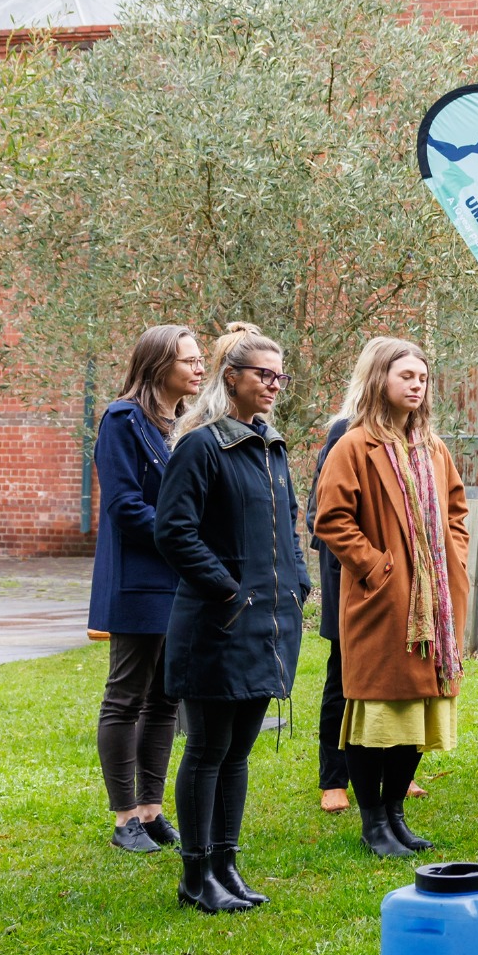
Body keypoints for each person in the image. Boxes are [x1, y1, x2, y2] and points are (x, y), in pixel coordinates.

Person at [155, 323, 308, 914]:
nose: (272, 386)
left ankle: (226, 864)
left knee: (237, 753)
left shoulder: (270, 445)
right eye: (261, 375)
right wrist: (227, 592)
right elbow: (174, 532)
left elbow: (289, 528)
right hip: (218, 625)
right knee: (207, 750)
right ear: (231, 379)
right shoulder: (201, 446)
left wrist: (295, 584)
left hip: (268, 623)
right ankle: (196, 877)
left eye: (278, 377)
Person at [313, 338, 468, 859]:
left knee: (419, 712)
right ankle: (372, 821)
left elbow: (455, 512)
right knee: (377, 713)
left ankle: (397, 815)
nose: (417, 385)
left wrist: (455, 559)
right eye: (406, 376)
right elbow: (331, 518)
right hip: (383, 605)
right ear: (379, 379)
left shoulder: (433, 447)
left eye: (422, 377)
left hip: (435, 608)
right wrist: (377, 567)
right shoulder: (354, 445)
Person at [90, 323, 205, 854]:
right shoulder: (123, 420)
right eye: (190, 360)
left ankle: (153, 811)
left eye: (201, 359)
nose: (200, 368)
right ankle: (123, 818)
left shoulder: (182, 424)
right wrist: (181, 538)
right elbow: (123, 504)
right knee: (125, 696)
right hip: (138, 578)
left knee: (164, 699)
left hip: (177, 580)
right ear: (160, 364)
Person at [312, 337, 403, 815]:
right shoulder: (345, 433)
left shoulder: (412, 433)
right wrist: (370, 565)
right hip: (350, 575)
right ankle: (334, 776)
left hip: (400, 580)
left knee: (398, 673)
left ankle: (397, 772)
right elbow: (323, 515)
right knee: (344, 674)